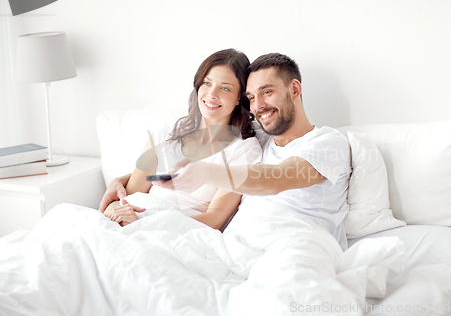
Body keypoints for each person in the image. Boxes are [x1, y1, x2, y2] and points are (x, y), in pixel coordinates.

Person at [102, 53, 352, 250]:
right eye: (252, 97)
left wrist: (203, 172)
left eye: (267, 92)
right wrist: (123, 179)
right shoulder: (265, 138)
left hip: (293, 244)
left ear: (295, 90)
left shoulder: (327, 142)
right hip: (235, 247)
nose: (259, 106)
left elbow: (276, 179)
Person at [100, 48, 262, 230]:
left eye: (225, 88)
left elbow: (215, 219)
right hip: (127, 222)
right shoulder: (163, 137)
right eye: (207, 83)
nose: (212, 94)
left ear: (240, 98)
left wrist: (145, 225)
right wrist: (115, 211)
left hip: (173, 232)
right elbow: (124, 197)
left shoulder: (243, 150)